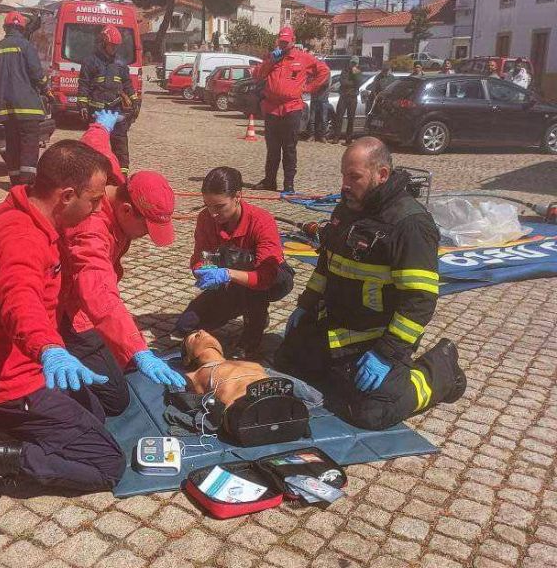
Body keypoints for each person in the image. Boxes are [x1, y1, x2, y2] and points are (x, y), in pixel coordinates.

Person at [0, 139, 128, 498]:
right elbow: (20, 302)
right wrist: (48, 348)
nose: (96, 210)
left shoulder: (14, 208)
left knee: (97, 412)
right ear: (66, 196)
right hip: (11, 384)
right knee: (107, 464)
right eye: (93, 201)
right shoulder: (23, 238)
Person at [275, 137, 467, 431]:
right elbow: (327, 267)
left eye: (354, 177)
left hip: (376, 337)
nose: (345, 185)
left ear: (382, 175)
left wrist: (385, 353)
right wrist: (305, 307)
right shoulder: (347, 210)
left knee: (371, 412)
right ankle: (340, 368)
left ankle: (440, 370)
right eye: (343, 175)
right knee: (287, 362)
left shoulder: (410, 225)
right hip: (339, 328)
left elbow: (419, 301)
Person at [61, 151, 184, 387]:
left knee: (116, 364)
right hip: (69, 309)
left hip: (86, 307)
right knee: (113, 394)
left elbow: (96, 146)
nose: (146, 236)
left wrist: (101, 127)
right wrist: (137, 348)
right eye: (146, 229)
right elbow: (97, 290)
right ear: (126, 210)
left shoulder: (113, 184)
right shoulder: (92, 228)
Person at [175, 166, 295, 359]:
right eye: (208, 205)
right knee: (186, 325)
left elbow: (265, 276)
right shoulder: (206, 219)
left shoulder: (261, 221)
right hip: (231, 280)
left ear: (238, 196)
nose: (213, 213)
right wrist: (202, 271)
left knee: (253, 285)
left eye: (219, 206)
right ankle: (241, 304)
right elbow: (199, 257)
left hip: (270, 280)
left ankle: (252, 335)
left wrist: (227, 274)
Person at [253, 26, 330, 193]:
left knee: (289, 148)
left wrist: (309, 88)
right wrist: (270, 61)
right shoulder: (273, 57)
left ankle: (289, 184)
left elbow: (324, 71)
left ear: (293, 41)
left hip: (291, 109)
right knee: (272, 148)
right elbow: (257, 75)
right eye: (281, 42)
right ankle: (269, 181)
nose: (283, 45)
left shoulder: (303, 58)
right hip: (272, 109)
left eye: (286, 42)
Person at [180, 329, 322, 409]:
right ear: (188, 359)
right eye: (193, 337)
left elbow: (310, 395)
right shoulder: (195, 375)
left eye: (206, 332)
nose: (202, 332)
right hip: (244, 413)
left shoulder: (252, 365)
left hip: (280, 406)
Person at [0, 11, 49, 186]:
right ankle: (27, 185)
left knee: (13, 145)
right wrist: (46, 88)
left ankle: (15, 183)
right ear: (22, 28)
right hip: (28, 108)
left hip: (6, 109)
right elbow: (37, 74)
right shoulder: (26, 46)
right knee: (29, 146)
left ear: (5, 28)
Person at [77, 25, 140, 177]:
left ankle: (121, 177)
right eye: (112, 45)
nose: (114, 49)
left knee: (120, 147)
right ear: (103, 43)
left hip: (117, 112)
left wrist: (135, 100)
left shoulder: (120, 64)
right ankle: (94, 176)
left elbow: (127, 84)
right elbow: (83, 85)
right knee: (96, 146)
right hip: (98, 113)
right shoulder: (90, 62)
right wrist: (82, 105)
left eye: (116, 46)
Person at [330, 56, 363, 146]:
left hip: (352, 97)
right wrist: (352, 83)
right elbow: (342, 82)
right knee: (339, 116)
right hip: (343, 96)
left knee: (351, 118)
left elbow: (358, 82)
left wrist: (354, 72)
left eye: (355, 63)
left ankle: (348, 139)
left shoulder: (357, 71)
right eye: (352, 63)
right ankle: (336, 137)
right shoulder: (344, 70)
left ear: (357, 64)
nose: (353, 64)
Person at [305, 76, 332, 143]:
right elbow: (309, 83)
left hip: (323, 100)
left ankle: (323, 136)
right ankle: (312, 136)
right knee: (312, 119)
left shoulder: (326, 72)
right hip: (314, 99)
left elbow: (326, 83)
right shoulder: (313, 73)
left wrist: (317, 82)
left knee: (324, 119)